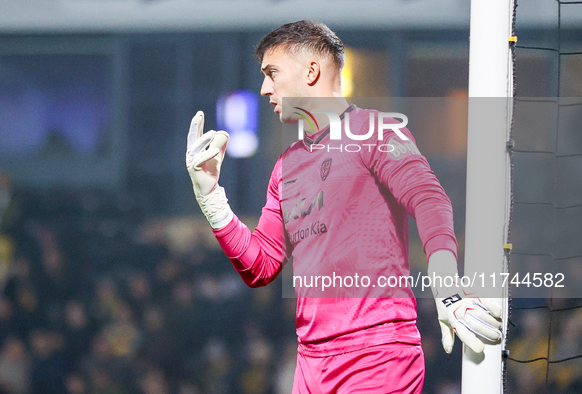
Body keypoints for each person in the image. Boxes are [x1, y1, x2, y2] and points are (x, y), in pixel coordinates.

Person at [185, 20, 502, 393]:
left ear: (312, 71)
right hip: (311, 364)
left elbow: (428, 197)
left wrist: (446, 282)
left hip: (378, 354)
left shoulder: (377, 131)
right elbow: (261, 265)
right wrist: (211, 198)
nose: (264, 88)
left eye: (272, 74)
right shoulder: (285, 166)